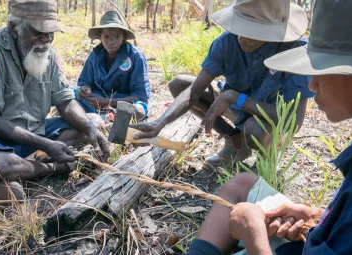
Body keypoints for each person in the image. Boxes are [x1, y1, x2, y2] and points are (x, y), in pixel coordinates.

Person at [187, 0, 352, 254]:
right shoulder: (226, 44)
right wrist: (318, 215)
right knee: (241, 183)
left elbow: (292, 121)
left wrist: (253, 236)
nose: (312, 85)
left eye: (320, 70)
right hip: (319, 236)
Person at [0, 0, 110, 199]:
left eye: (51, 33)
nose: (46, 39)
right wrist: (47, 146)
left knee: (94, 122)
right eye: (39, 32)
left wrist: (90, 129)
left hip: (33, 134)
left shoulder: (49, 54)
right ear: (14, 28)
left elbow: (65, 101)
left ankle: (12, 172)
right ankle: (50, 167)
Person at [131, 0, 314, 172]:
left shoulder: (296, 51)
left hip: (271, 121)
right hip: (235, 108)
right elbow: (194, 91)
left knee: (254, 129)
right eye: (239, 26)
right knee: (179, 84)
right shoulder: (227, 42)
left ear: (272, 31)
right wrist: (160, 122)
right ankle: (236, 143)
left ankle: (266, 161)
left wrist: (236, 98)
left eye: (252, 30)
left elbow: (293, 121)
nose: (241, 36)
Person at [76, 10, 151, 121]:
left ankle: (111, 121)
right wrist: (85, 90)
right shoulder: (95, 55)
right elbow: (85, 82)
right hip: (96, 101)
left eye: (117, 36)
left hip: (122, 104)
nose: (111, 41)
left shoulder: (135, 57)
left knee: (138, 110)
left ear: (123, 37)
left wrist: (106, 102)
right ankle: (98, 118)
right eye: (106, 37)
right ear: (100, 37)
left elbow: (141, 96)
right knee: (69, 96)